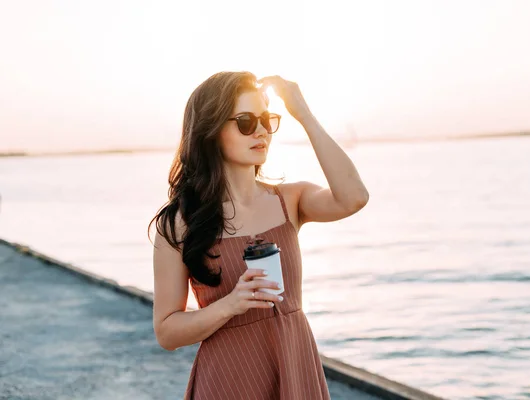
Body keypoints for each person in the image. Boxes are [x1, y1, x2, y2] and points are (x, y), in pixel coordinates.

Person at [149, 71, 369, 399]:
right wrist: (230, 305)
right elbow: (167, 332)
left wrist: (303, 115)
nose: (262, 131)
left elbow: (353, 197)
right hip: (228, 380)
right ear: (211, 130)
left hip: (295, 368)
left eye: (267, 120)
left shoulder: (289, 200)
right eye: (246, 121)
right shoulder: (179, 224)